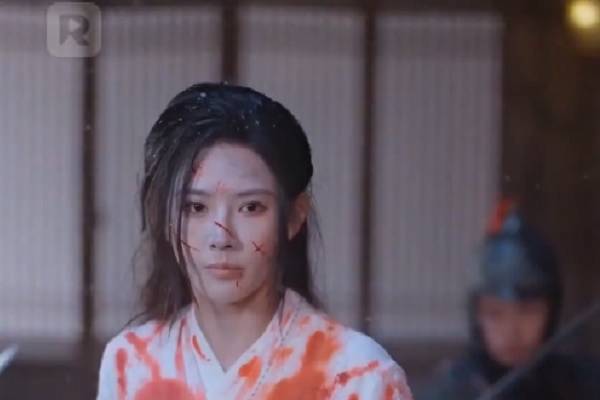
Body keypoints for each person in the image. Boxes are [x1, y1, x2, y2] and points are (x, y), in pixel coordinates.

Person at [96, 82, 413, 400]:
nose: (221, 237)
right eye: (195, 207)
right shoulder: (130, 364)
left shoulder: (357, 375)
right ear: (163, 216)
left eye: (250, 207)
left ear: (294, 216)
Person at [417, 200, 600, 400]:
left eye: (527, 311)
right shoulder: (452, 391)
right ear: (477, 316)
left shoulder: (582, 385)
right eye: (495, 313)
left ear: (551, 311)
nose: (511, 330)